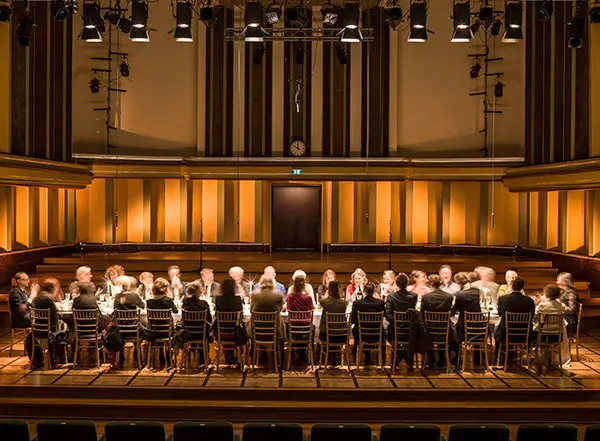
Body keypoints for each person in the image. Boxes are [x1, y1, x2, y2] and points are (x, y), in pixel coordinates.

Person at [494, 277, 535, 364]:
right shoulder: (530, 301)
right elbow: (532, 316)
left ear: (511, 286)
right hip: (524, 334)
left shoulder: (503, 299)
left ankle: (498, 356)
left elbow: (500, 314)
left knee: (495, 330)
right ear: (522, 287)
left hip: (506, 333)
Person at [385, 273, 417, 368]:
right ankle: (405, 355)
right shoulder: (414, 296)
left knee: (386, 331)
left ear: (396, 284)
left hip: (395, 329)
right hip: (410, 330)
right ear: (407, 284)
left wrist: (397, 322)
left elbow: (388, 315)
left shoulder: (391, 296)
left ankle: (399, 354)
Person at [350, 282, 385, 364]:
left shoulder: (357, 303)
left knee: (356, 328)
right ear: (374, 291)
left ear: (364, 291)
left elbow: (352, 320)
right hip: (376, 334)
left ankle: (357, 348)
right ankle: (380, 359)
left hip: (361, 334)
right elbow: (385, 316)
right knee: (381, 329)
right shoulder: (380, 303)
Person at [214, 277, 244, 365]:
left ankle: (228, 355)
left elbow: (216, 315)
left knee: (223, 327)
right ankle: (235, 352)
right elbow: (240, 315)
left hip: (221, 333)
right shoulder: (237, 299)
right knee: (239, 327)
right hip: (236, 333)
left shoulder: (218, 299)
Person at [451, 272, 482, 341]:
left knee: (453, 329)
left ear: (457, 283)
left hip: (463, 328)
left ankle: (457, 351)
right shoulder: (477, 291)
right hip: (480, 327)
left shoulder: (458, 294)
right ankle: (477, 351)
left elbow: (453, 312)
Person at [557, 272, 581, 337]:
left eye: (558, 280)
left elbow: (572, 311)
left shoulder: (571, 293)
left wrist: (561, 305)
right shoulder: (561, 292)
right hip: (561, 320)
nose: (557, 282)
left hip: (568, 323)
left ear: (565, 282)